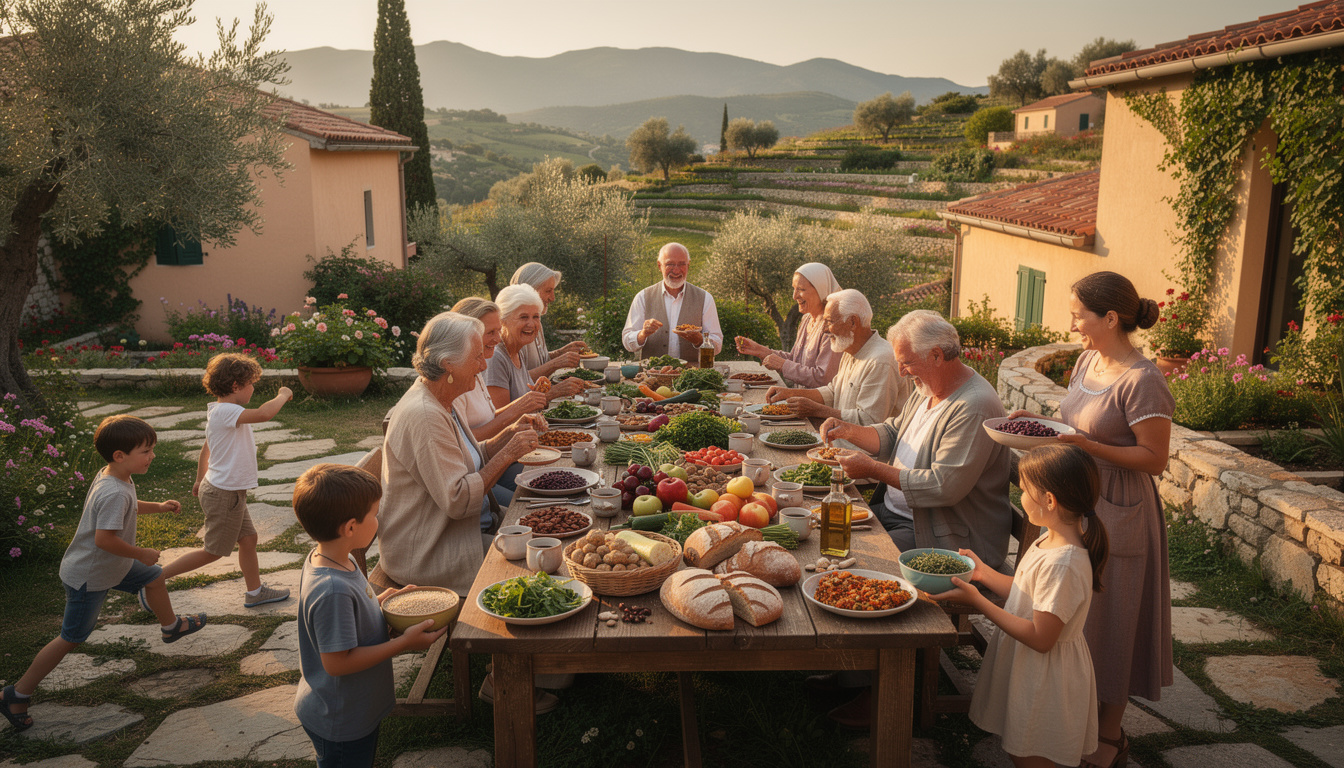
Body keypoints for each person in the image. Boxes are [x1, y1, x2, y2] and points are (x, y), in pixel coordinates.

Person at [1007, 271, 1171, 768]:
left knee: (1115, 617)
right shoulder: (1086, 361)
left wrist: (1086, 445)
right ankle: (1073, 717)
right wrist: (1035, 429)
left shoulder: (1143, 380)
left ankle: (1110, 734)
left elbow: (1155, 458)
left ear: (1111, 317)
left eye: (1079, 313)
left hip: (1119, 506)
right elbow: (1072, 426)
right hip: (1076, 497)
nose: (1072, 321)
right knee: (1077, 618)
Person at [375, 311, 561, 715]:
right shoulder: (425, 415)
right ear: (447, 365)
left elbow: (472, 458)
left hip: (455, 531)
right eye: (476, 356)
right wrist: (511, 452)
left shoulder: (441, 398)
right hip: (428, 549)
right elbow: (459, 499)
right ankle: (508, 679)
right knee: (539, 569)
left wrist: (508, 436)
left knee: (550, 545)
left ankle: (538, 663)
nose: (483, 364)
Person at [1, 416, 206, 732]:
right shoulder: (113, 491)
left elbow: (130, 505)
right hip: (91, 576)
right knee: (71, 638)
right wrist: (141, 552)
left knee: (152, 576)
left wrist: (160, 507)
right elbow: (104, 539)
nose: (152, 456)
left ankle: (171, 626)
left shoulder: (115, 477)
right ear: (121, 455)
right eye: (146, 450)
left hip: (110, 567)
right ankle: (16, 693)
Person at [933, 444, 1108, 768]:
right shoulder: (1051, 537)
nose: (1021, 497)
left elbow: (1042, 638)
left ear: (1050, 501)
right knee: (1019, 747)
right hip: (1031, 668)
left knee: (1032, 755)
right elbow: (1027, 592)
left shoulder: (1065, 563)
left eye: (1025, 491)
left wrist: (978, 601)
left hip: (1046, 679)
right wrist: (984, 572)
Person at [822, 310, 1012, 563]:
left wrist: (872, 468)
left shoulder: (974, 406)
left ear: (936, 355)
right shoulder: (929, 386)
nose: (902, 372)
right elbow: (893, 432)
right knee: (824, 533)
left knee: (851, 556)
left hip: (943, 538)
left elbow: (943, 486)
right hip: (899, 517)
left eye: (907, 362)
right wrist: (847, 430)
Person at [292, 463, 445, 768]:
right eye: (375, 513)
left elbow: (353, 611)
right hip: (341, 719)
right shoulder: (330, 588)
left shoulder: (336, 556)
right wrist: (404, 643)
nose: (379, 518)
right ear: (350, 528)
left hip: (352, 708)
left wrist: (382, 603)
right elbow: (337, 663)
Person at [149, 353, 293, 610]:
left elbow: (207, 448)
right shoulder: (227, 411)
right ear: (236, 386)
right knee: (213, 551)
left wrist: (198, 479)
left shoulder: (221, 412)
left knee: (248, 539)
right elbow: (263, 414)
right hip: (225, 494)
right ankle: (154, 579)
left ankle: (255, 592)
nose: (253, 388)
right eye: (251, 383)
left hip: (226, 491)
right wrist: (283, 394)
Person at [765, 288, 907, 425]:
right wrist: (789, 394)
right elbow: (834, 391)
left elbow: (869, 420)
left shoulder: (881, 360)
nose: (825, 329)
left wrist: (816, 410)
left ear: (852, 322)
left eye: (830, 322)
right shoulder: (850, 349)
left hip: (862, 449)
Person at [450, 297, 550, 442]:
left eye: (498, 330)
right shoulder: (453, 381)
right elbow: (464, 441)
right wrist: (519, 410)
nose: (498, 339)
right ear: (466, 335)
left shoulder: (475, 371)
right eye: (491, 332)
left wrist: (523, 415)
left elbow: (489, 417)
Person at [735, 262, 842, 388]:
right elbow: (795, 360)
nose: (794, 296)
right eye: (794, 288)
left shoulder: (833, 326)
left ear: (821, 289)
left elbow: (823, 379)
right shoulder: (807, 319)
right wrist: (760, 350)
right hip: (800, 401)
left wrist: (782, 365)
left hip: (819, 406)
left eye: (801, 289)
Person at [486, 284, 586, 410]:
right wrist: (552, 393)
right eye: (523, 317)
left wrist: (542, 390)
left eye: (536, 317)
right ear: (503, 321)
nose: (531, 324)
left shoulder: (517, 352)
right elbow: (501, 420)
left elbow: (523, 398)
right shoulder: (496, 358)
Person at [621, 242, 723, 363]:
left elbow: (717, 345)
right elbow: (627, 342)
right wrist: (642, 334)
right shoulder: (643, 297)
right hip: (652, 376)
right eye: (670, 264)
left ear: (688, 265)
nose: (676, 270)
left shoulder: (705, 298)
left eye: (682, 264)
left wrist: (700, 340)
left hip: (693, 376)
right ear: (659, 266)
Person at [509, 262, 587, 378]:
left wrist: (560, 353)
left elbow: (538, 362)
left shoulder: (536, 321)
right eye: (548, 291)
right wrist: (556, 364)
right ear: (530, 290)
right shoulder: (512, 327)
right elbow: (517, 381)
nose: (552, 298)